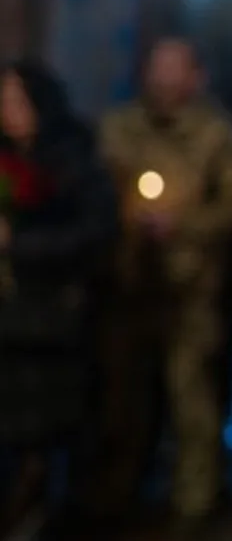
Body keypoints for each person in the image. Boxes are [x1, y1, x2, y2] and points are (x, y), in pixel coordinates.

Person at [96, 37, 232, 534]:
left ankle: (194, 496)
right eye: (157, 68)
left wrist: (182, 223)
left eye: (175, 69)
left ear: (195, 77)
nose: (164, 79)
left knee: (191, 396)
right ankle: (120, 488)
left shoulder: (217, 135)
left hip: (190, 288)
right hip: (127, 284)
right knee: (123, 394)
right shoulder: (118, 129)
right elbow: (97, 189)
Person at [0, 63, 115, 538]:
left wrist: (17, 244)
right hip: (8, 319)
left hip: (51, 321)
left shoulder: (74, 162)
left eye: (17, 100)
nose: (8, 112)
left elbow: (95, 235)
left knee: (46, 434)